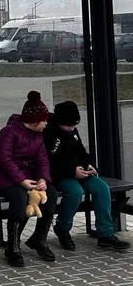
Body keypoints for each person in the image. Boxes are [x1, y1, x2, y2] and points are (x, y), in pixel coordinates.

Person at [44, 101, 130, 252]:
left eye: (74, 125)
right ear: (59, 121)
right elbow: (49, 161)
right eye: (68, 126)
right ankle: (63, 228)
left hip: (79, 171)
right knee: (75, 192)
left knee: (102, 188)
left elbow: (81, 152)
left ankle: (105, 234)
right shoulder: (49, 133)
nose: (71, 128)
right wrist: (72, 171)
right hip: (61, 175)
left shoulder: (73, 131)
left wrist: (89, 164)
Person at [0, 90, 58, 267]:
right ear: (35, 122)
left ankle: (39, 239)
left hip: (26, 176)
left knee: (51, 194)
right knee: (20, 196)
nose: (46, 123)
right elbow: (3, 159)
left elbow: (42, 159)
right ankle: (13, 246)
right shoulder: (8, 132)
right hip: (1, 175)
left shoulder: (38, 136)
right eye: (44, 120)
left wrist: (43, 179)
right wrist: (21, 180)